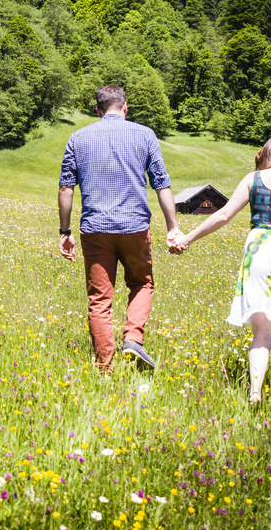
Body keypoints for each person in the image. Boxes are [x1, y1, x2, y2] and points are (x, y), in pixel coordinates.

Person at [171, 136, 271, 402]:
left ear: (266, 154)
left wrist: (187, 238)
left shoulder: (253, 179)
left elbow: (222, 215)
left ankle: (255, 391)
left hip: (259, 252)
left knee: (263, 333)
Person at [58, 85, 182, 373]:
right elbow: (161, 184)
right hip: (134, 226)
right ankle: (133, 338)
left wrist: (65, 231)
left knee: (99, 299)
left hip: (95, 229)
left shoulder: (78, 138)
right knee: (141, 283)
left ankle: (104, 368)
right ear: (125, 108)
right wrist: (173, 227)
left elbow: (66, 188)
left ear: (98, 110)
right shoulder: (145, 135)